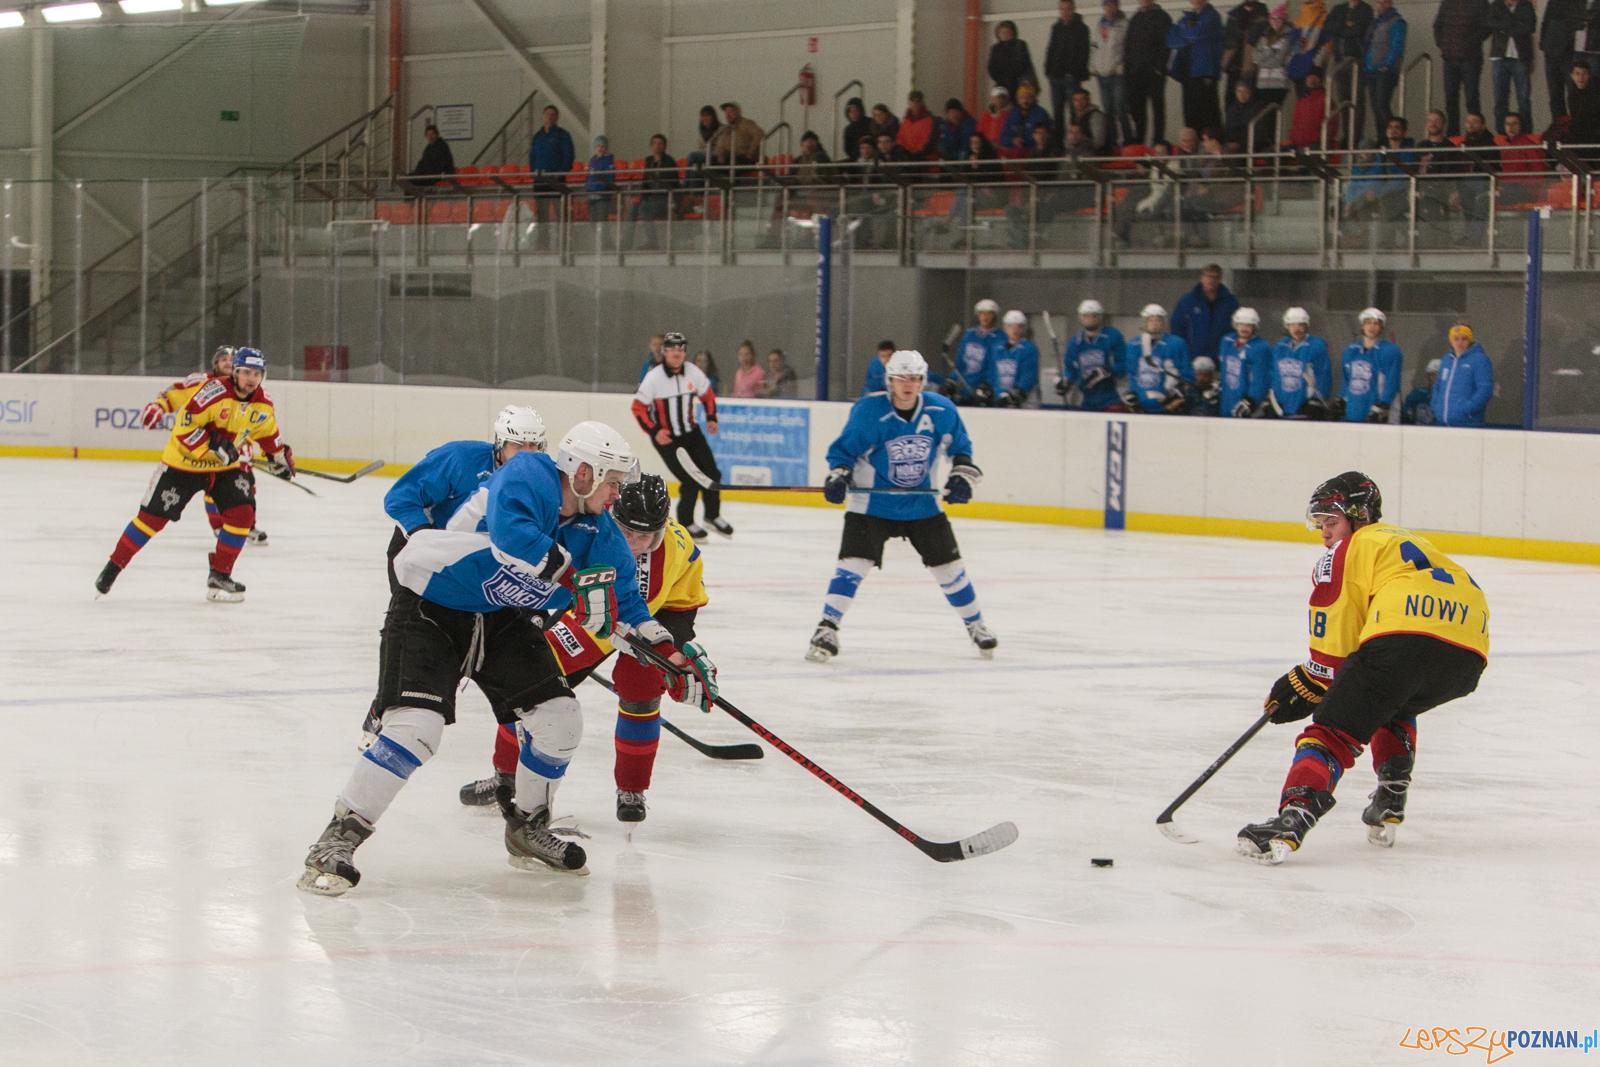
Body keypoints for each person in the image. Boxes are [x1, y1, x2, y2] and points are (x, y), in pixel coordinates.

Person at [299, 422, 709, 893]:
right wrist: (574, 580)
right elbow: (512, 536)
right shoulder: (531, 472)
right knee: (417, 727)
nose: (618, 494)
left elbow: (627, 604)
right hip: (432, 603)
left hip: (501, 617)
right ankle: (338, 838)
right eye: (612, 482)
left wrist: (670, 657)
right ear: (584, 473)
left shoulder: (599, 529)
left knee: (561, 718)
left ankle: (527, 827)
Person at [1236, 472, 1489, 864]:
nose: (1325, 533)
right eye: (1320, 524)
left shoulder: (1350, 548)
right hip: (1468, 653)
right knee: (1391, 699)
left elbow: (1334, 649)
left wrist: (1306, 682)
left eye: (1332, 521)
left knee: (1329, 731)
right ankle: (1391, 795)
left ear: (1359, 516)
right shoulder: (1404, 541)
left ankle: (1293, 819)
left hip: (1406, 636)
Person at [457, 475, 712, 827]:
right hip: (605, 604)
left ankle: (632, 788)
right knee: (534, 681)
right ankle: (506, 775)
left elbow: (635, 614)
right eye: (627, 532)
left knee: (640, 685)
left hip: (665, 610)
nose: (635, 544)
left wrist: (672, 656)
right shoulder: (590, 529)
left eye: (645, 537)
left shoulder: (669, 555)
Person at [363, 406, 549, 763]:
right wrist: (425, 539)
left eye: (534, 447)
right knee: (418, 638)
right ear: (499, 444)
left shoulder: (539, 482)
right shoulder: (460, 459)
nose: (526, 455)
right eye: (517, 446)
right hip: (417, 556)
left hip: (472, 567)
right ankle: (383, 711)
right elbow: (400, 497)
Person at [806, 350, 996, 662]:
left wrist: (962, 477)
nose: (908, 384)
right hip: (872, 504)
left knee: (949, 566)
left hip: (922, 504)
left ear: (923, 381)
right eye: (901, 378)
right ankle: (826, 628)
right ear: (890, 381)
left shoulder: (940, 409)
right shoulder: (869, 411)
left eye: (914, 378)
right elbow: (843, 453)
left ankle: (976, 625)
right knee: (853, 564)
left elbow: (961, 449)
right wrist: (839, 476)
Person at [94, 347, 292, 603]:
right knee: (151, 520)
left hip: (222, 469)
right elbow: (184, 428)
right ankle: (113, 568)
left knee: (242, 514)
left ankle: (220, 575)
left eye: (256, 374)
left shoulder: (263, 401)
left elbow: (267, 432)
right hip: (183, 464)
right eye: (246, 373)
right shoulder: (212, 391)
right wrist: (212, 443)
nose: (251, 379)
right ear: (235, 372)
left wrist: (278, 457)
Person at [137, 347, 270, 547]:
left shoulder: (248, 388)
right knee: (212, 482)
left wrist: (252, 446)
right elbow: (174, 393)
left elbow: (255, 422)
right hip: (202, 448)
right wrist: (159, 406)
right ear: (215, 364)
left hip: (232, 446)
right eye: (223, 359)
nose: (227, 362)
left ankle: (248, 527)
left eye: (231, 359)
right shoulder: (201, 382)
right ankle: (219, 526)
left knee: (245, 485)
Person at [633, 332, 730, 539]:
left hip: (691, 433)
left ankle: (712, 516)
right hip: (667, 439)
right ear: (664, 352)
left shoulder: (693, 372)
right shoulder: (654, 378)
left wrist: (711, 418)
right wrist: (655, 431)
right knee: (690, 480)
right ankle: (686, 523)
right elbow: (638, 408)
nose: (676, 353)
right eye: (672, 349)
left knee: (712, 473)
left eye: (681, 349)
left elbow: (708, 395)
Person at [1336, 307, 1403, 422]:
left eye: (1376, 323)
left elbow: (1392, 381)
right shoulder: (1350, 350)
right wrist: (1342, 399)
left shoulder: (1390, 351)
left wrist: (1383, 404)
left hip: (1378, 411)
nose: (1371, 327)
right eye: (1367, 323)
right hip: (1354, 409)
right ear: (1362, 325)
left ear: (1381, 327)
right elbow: (1347, 380)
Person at [1264, 306, 1333, 417]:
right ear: (1287, 326)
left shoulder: (1316, 345)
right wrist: (1271, 399)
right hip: (1282, 407)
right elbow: (1274, 375)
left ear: (1306, 326)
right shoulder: (1281, 346)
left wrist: (1316, 400)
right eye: (1293, 325)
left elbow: (1323, 376)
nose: (1297, 329)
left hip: (1305, 407)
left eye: (1301, 325)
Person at [1435, 0, 1491, 137]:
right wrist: (1443, 44)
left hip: (1471, 58)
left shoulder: (1480, 2)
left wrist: (1469, 44)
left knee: (1471, 99)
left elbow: (1486, 27)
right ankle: (1453, 137)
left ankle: (1474, 135)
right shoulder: (1447, 2)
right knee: (1450, 100)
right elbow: (1438, 25)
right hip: (1449, 59)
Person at [1061, 299, 1130, 410]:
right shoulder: (1075, 342)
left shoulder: (1112, 336)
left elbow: (1124, 363)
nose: (1090, 319)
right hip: (1086, 399)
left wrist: (1109, 370)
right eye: (1086, 316)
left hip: (1110, 398)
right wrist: (1065, 383)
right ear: (1081, 318)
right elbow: (1070, 369)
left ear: (1099, 317)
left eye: (1094, 316)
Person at [1124, 303, 1194, 411]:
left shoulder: (1176, 343)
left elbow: (1187, 373)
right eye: (1150, 320)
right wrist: (1132, 395)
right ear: (1144, 322)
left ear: (1164, 322)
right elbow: (1131, 373)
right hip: (1141, 404)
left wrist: (1178, 391)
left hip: (1168, 405)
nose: (1154, 324)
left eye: (1158, 320)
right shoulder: (1133, 344)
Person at [1169, 0, 1226, 132]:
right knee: (1189, 110)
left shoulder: (1212, 15)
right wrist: (1187, 34)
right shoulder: (1187, 17)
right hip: (1187, 69)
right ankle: (1192, 141)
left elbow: (1197, 34)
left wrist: (1183, 33)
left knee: (1207, 111)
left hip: (1204, 69)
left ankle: (1210, 141)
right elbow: (1172, 38)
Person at [1328, 0, 1376, 143]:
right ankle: (1347, 136)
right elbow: (1328, 26)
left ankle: (1356, 137)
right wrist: (1346, 24)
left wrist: (1341, 28)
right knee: (1343, 100)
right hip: (1339, 61)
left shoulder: (1366, 9)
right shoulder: (1338, 8)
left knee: (1357, 101)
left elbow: (1360, 30)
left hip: (1357, 61)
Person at [1170, 263, 1240, 361]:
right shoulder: (1187, 301)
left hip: (1220, 359)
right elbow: (1177, 327)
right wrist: (1182, 353)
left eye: (1215, 277)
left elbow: (1236, 329)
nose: (1212, 280)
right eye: (1209, 276)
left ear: (1220, 279)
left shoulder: (1230, 302)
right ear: (1202, 278)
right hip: (1192, 358)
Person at [1127, 0, 1174, 143]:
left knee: (1157, 107)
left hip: (1154, 71)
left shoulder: (1162, 16)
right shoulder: (1135, 18)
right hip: (1136, 71)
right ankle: (1139, 140)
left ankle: (1158, 140)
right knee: (1137, 107)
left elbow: (1166, 43)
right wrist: (1127, 70)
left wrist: (1160, 67)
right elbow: (1128, 46)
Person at [1432, 324, 1495, 426]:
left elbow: (1485, 389)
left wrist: (1467, 408)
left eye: (1464, 339)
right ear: (1451, 340)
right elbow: (1438, 385)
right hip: (1442, 422)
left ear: (1469, 340)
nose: (1459, 342)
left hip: (1468, 423)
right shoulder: (1447, 359)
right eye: (1456, 338)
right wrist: (1436, 406)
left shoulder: (1480, 359)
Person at [1488, 0, 1536, 133]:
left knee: (1523, 99)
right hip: (1499, 57)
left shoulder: (1526, 5)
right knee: (1500, 100)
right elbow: (1490, 24)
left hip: (1521, 57)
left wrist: (1504, 27)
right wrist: (1516, 24)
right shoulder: (1496, 5)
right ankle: (1501, 136)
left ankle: (1526, 135)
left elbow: (1530, 27)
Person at [1048, 1, 1094, 133]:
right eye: (1062, 9)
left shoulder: (1082, 28)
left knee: (1075, 112)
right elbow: (1051, 50)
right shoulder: (1056, 27)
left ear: (1073, 9)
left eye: (1068, 9)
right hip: (1056, 76)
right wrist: (1049, 70)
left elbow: (1084, 53)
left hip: (1071, 77)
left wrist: (1073, 72)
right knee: (1057, 112)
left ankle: (1075, 140)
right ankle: (1059, 142)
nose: (1065, 12)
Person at [1093, 0, 1134, 147]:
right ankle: (1112, 143)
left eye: (1111, 4)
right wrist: (1094, 66)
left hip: (1117, 73)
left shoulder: (1124, 24)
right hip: (1102, 74)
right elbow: (1094, 47)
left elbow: (1128, 48)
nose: (1108, 8)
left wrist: (1121, 67)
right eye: (1106, 5)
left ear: (1116, 6)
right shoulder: (1099, 24)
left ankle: (1128, 141)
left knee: (1120, 108)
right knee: (1107, 110)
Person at [1217, 306, 1272, 415]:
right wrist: (1219, 385)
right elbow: (1224, 369)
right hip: (1227, 399)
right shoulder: (1227, 341)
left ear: (1254, 326)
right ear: (1235, 325)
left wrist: (1252, 399)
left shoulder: (1261, 347)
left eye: (1248, 325)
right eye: (1241, 324)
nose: (1244, 328)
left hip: (1247, 401)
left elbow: (1261, 378)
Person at [627, 134, 677, 251]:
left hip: (665, 199)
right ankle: (626, 244)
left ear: (665, 146)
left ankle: (652, 242)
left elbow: (671, 184)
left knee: (644, 208)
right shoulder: (649, 161)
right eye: (655, 143)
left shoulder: (670, 162)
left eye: (660, 143)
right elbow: (645, 183)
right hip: (651, 199)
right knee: (633, 207)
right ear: (651, 146)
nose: (657, 146)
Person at [951, 298, 1006, 402]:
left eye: (989, 314)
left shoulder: (999, 337)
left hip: (984, 390)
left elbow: (995, 365)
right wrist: (953, 378)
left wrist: (987, 384)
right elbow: (960, 360)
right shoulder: (969, 334)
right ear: (978, 315)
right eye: (982, 313)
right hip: (965, 388)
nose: (985, 317)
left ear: (994, 316)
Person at [529, 106, 575, 224]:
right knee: (542, 216)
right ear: (543, 116)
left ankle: (562, 236)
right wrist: (534, 173)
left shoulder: (562, 135)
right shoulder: (537, 136)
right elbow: (532, 157)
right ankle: (543, 237)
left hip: (556, 181)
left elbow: (568, 157)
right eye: (547, 114)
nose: (549, 117)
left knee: (560, 214)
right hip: (540, 181)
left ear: (557, 117)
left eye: (552, 114)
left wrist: (559, 173)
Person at [986, 310, 1041, 407]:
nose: (1014, 330)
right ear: (1005, 327)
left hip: (1024, 402)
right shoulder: (998, 348)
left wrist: (1016, 393)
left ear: (1023, 328)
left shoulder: (1029, 348)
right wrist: (988, 388)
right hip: (1001, 398)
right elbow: (992, 372)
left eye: (1018, 326)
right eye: (1010, 326)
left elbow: (1029, 375)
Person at [1248, 6, 1295, 112]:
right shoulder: (1264, 37)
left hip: (1278, 83)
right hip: (1262, 82)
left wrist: (1263, 60)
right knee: (1263, 113)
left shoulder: (1287, 37)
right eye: (1273, 18)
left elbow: (1279, 61)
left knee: (1273, 113)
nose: (1275, 22)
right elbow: (1255, 57)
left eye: (1278, 19)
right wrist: (1270, 52)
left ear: (1283, 20)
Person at [1222, 0, 1270, 97]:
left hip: (1254, 69)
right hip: (1235, 67)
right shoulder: (1235, 14)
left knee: (1253, 98)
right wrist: (1225, 61)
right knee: (1232, 98)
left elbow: (1268, 42)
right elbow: (1228, 42)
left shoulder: (1263, 15)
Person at [990, 19, 1041, 99]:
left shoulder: (1020, 45)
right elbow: (992, 67)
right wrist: (1000, 79)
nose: (1005, 35)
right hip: (1002, 83)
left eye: (1007, 32)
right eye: (1002, 32)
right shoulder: (996, 48)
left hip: (1019, 82)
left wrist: (1011, 76)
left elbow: (1024, 63)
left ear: (1013, 33)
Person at [1288, 70, 1338, 147]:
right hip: (1298, 144)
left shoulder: (1327, 101)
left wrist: (1318, 140)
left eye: (1315, 78)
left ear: (1321, 81)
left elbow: (1332, 128)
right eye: (1310, 77)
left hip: (1316, 145)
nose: (1312, 80)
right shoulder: (1301, 101)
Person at [1000, 82, 1053, 153]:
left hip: (1035, 152)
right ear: (1018, 99)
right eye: (1022, 97)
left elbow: (1044, 136)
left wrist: (1025, 141)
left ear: (1034, 99)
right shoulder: (1012, 114)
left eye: (1029, 97)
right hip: (1014, 151)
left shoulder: (1041, 113)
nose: (1025, 100)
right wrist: (1012, 140)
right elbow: (1003, 137)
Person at [709, 101, 763, 171]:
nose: (728, 115)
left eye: (731, 112)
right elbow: (724, 146)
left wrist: (751, 153)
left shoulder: (747, 124)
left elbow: (759, 134)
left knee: (729, 161)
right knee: (711, 161)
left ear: (739, 112)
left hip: (746, 159)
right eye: (726, 112)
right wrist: (721, 154)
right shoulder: (727, 129)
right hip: (732, 158)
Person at [897, 90, 944, 161]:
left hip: (925, 160)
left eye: (917, 101)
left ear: (922, 102)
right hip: (907, 160)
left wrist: (918, 154)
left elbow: (930, 143)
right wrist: (905, 155)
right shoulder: (904, 123)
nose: (914, 104)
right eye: (912, 101)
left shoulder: (931, 121)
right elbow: (900, 141)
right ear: (909, 103)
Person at [1568, 60, 1600, 148]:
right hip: (1581, 134)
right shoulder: (1572, 96)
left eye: (1584, 74)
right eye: (1577, 74)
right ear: (1572, 76)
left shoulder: (1596, 92)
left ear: (1589, 75)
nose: (1581, 77)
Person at [585, 136, 617, 220]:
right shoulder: (593, 159)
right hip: (592, 193)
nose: (600, 149)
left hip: (602, 194)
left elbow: (609, 177)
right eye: (598, 146)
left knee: (603, 219)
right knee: (592, 219)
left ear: (606, 148)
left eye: (602, 146)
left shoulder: (608, 161)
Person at [1402, 357, 1441, 423]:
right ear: (1428, 376)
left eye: (1438, 375)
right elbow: (1406, 417)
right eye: (1433, 375)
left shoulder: (1449, 398)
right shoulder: (1417, 394)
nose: (1435, 378)